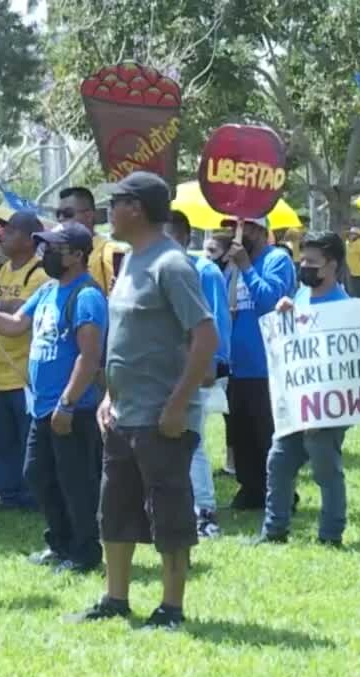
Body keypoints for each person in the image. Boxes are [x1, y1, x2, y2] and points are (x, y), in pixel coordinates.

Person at [76, 171, 218, 630]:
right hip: (121, 413)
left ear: (135, 208)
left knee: (169, 510)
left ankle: (171, 606)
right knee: (114, 508)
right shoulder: (130, 260)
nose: (107, 212)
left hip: (162, 418)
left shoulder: (171, 265)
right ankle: (115, 598)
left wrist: (178, 405)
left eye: (113, 203)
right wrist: (106, 398)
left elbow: (205, 336)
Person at [0, 223, 108, 574]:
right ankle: (59, 543)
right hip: (43, 407)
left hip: (72, 409)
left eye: (54, 249)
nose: (45, 255)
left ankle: (84, 552)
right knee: (38, 474)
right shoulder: (47, 292)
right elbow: (14, 324)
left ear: (76, 255)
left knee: (76, 483)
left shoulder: (86, 296)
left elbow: (89, 357)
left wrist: (68, 403)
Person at [255, 232, 353, 546]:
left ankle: (331, 533)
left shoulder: (343, 308)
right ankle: (274, 530)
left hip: (326, 407)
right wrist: (286, 314)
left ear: (332, 266)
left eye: (312, 262)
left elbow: (346, 366)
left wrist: (324, 411)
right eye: (303, 260)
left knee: (326, 471)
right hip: (296, 403)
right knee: (279, 463)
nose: (304, 266)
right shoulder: (300, 296)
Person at [0, 212, 47, 510]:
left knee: (29, 442)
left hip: (23, 375)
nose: (2, 234)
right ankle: (8, 494)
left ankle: (34, 495)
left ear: (30, 240)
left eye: (11, 230)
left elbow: (22, 318)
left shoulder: (40, 275)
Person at [224, 215, 295, 510]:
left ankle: (280, 493)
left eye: (243, 228)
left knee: (268, 433)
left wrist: (246, 267)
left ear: (259, 230)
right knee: (239, 433)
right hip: (236, 365)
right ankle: (250, 487)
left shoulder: (276, 260)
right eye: (232, 228)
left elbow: (269, 302)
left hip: (267, 364)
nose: (236, 234)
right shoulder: (232, 268)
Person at [168, 210, 230, 539]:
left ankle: (204, 512)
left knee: (194, 442)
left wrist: (212, 365)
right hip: (164, 372)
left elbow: (215, 322)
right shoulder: (154, 269)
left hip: (196, 370)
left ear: (181, 236)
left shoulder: (204, 271)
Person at [206, 231, 241, 477]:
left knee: (233, 414)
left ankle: (234, 460)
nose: (208, 256)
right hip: (222, 351)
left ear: (228, 254)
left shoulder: (234, 274)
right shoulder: (211, 274)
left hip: (232, 354)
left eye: (213, 251)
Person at [57, 186, 117, 294]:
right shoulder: (56, 251)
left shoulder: (108, 250)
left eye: (67, 213)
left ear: (89, 215)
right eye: (58, 214)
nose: (61, 219)